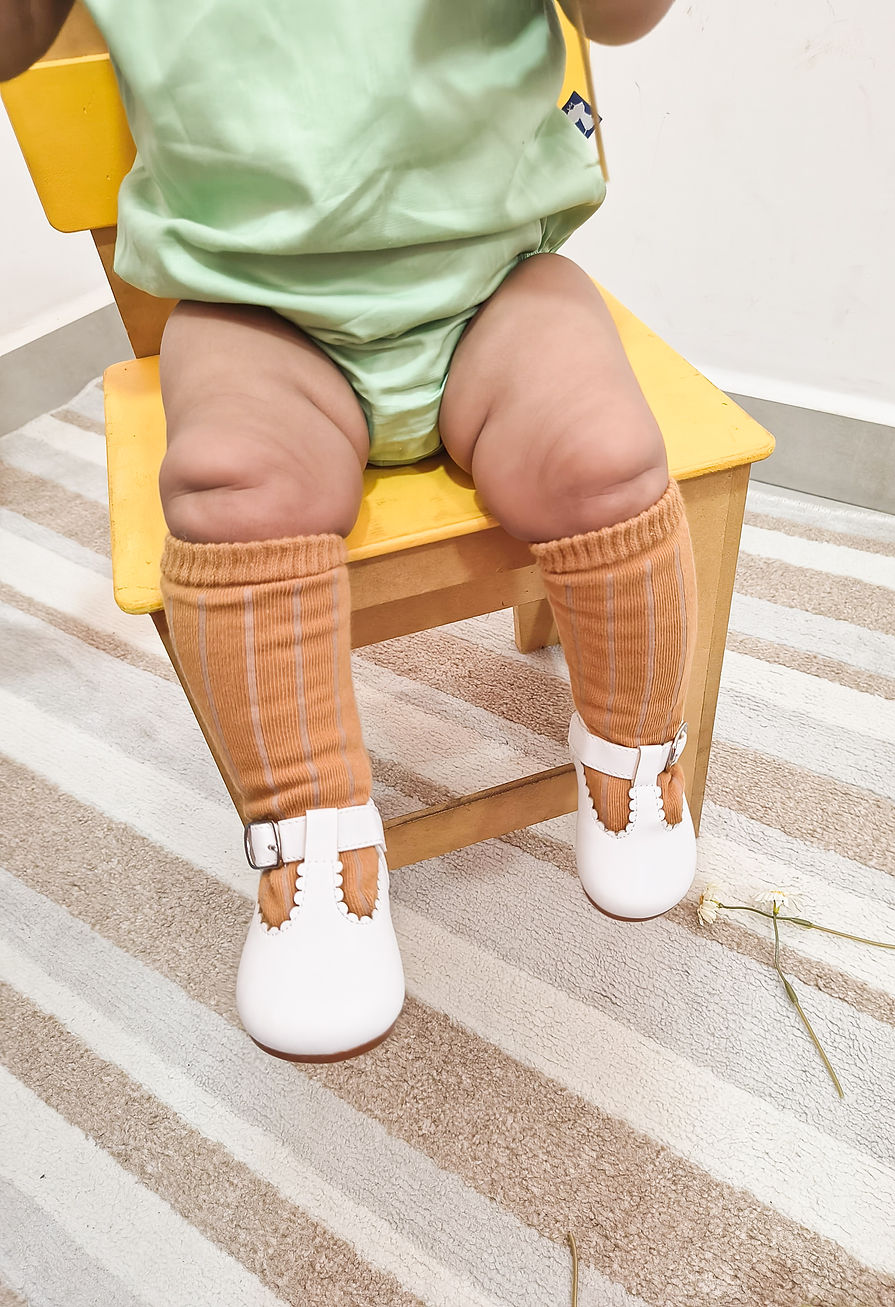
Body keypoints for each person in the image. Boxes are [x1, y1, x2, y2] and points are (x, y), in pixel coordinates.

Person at [2, 0, 697, 1063]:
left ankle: (633, 752)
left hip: (495, 276)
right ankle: (313, 840)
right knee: (232, 489)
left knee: (601, 458)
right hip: (250, 304)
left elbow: (619, 17)